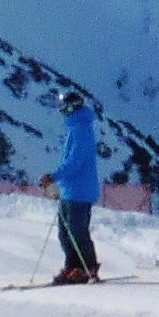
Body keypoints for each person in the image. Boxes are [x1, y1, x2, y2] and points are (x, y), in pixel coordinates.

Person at [49, 93, 107, 283]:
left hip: (80, 191)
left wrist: (54, 176)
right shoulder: (75, 128)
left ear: (71, 107)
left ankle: (88, 267)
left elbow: (75, 162)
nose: (61, 110)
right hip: (70, 190)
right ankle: (72, 266)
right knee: (64, 233)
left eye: (63, 106)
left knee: (77, 232)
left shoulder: (81, 129)